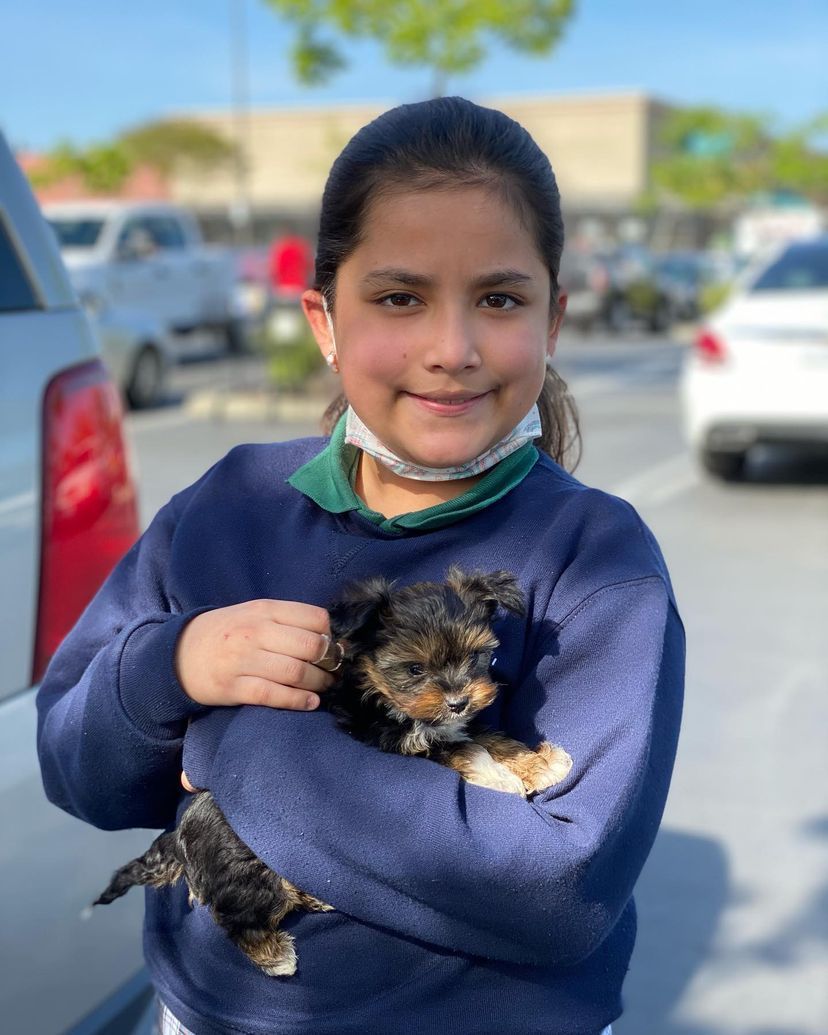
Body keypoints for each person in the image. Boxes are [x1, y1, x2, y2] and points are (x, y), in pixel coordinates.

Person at [37, 97, 684, 1035]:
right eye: (398, 297)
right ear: (323, 320)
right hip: (203, 1015)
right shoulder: (223, 511)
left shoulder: (597, 561)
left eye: (500, 299)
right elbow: (77, 768)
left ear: (554, 321)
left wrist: (231, 745)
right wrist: (168, 666)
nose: (451, 349)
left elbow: (559, 892)